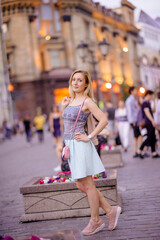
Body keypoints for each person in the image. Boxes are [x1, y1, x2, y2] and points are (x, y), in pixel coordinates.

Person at [62, 70, 121, 236]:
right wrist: (63, 108)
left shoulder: (87, 101)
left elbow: (103, 120)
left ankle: (95, 220)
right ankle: (110, 210)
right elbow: (67, 124)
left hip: (81, 145)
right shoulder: (70, 100)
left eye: (80, 80)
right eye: (74, 79)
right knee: (81, 185)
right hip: (71, 145)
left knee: (87, 184)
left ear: (86, 84)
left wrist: (90, 136)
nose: (76, 83)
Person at [139, 90, 160, 158]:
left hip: (150, 121)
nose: (152, 97)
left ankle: (153, 152)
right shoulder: (144, 103)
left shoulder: (148, 103)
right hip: (148, 122)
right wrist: (152, 121)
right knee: (149, 137)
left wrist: (154, 102)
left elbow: (153, 110)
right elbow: (147, 113)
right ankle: (141, 148)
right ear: (148, 94)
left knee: (152, 137)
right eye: (151, 95)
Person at [125, 86, 142, 157]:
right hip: (134, 121)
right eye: (135, 90)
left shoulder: (134, 99)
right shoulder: (130, 100)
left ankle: (137, 151)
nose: (136, 92)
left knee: (137, 136)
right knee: (138, 136)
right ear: (131, 91)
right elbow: (129, 112)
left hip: (136, 120)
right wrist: (132, 121)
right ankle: (139, 151)